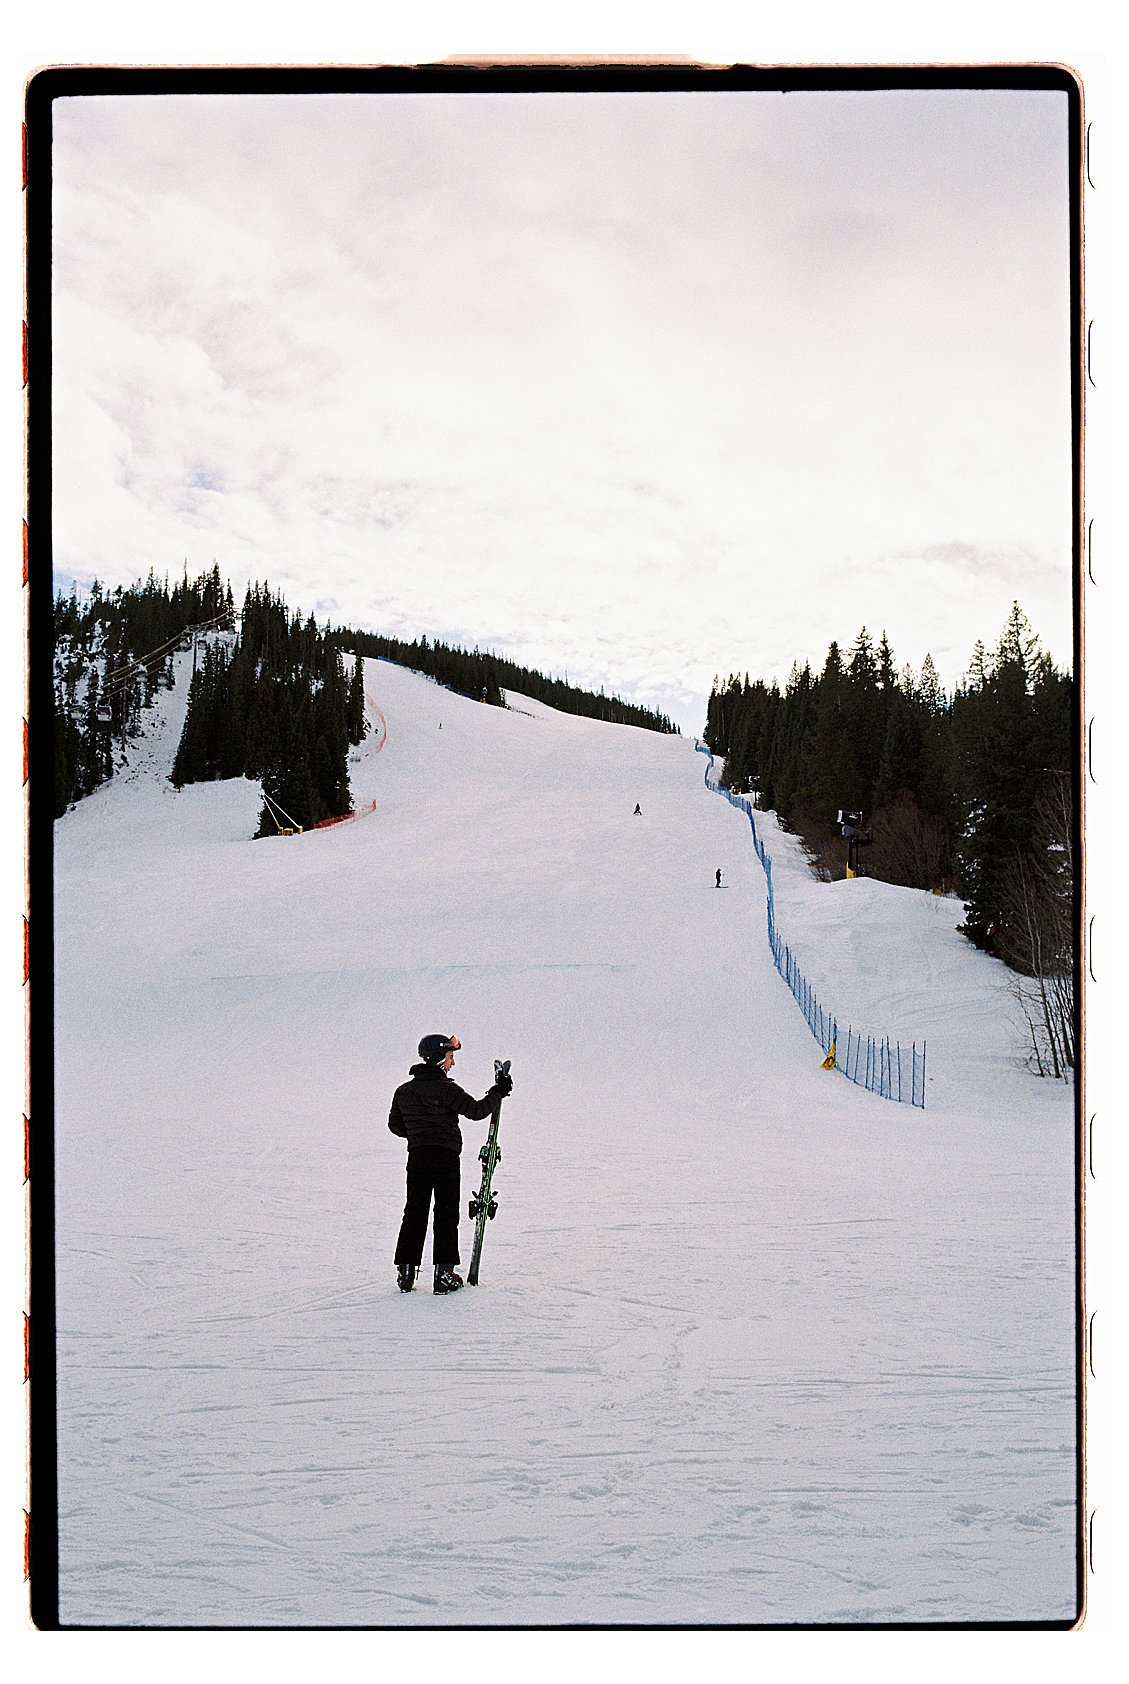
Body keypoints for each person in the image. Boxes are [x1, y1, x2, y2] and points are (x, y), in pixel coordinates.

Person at [389, 1034, 513, 1294]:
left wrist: (419, 1132)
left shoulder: (404, 1091)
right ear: (438, 1058)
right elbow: (478, 1111)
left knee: (414, 1211)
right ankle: (443, 1274)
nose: (452, 1063)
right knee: (445, 1212)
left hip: (418, 1157)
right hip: (445, 1158)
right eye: (450, 1057)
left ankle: (406, 1273)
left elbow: (395, 1125)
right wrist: (498, 1092)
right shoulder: (448, 1090)